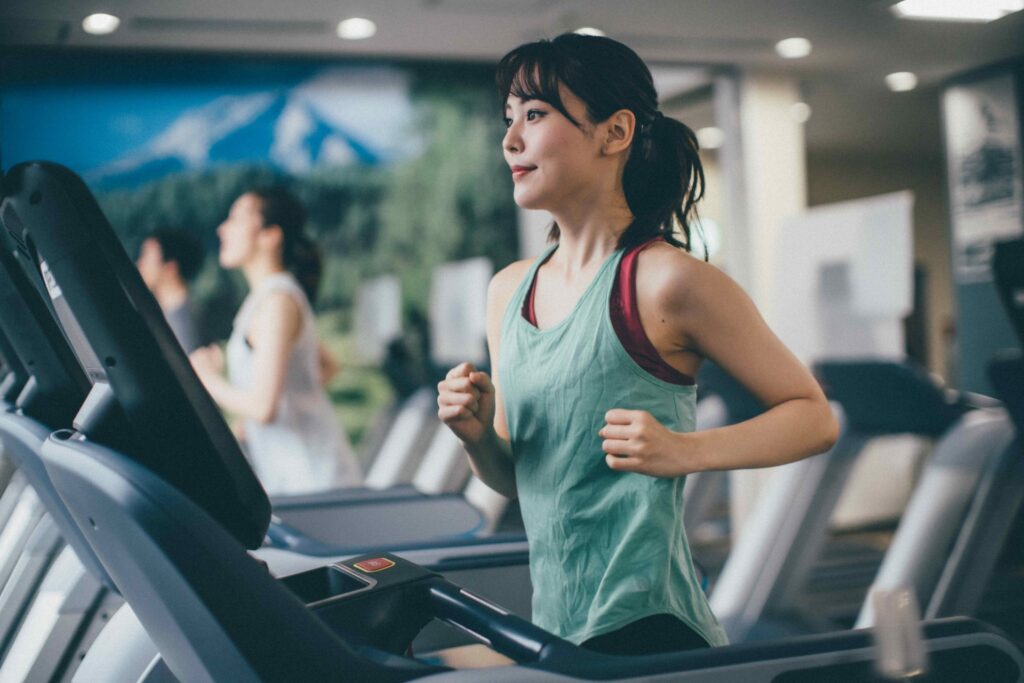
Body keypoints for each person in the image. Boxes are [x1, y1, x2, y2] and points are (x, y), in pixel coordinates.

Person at [437, 33, 839, 655]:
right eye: (508, 118)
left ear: (615, 132)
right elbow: (519, 480)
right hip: (556, 625)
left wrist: (685, 450)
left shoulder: (665, 282)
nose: (510, 139)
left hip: (649, 626)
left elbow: (814, 417)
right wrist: (475, 436)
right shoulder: (509, 291)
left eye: (535, 115)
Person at [190, 187, 362, 495]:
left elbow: (263, 408)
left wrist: (206, 378)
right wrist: (289, 401)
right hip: (302, 477)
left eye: (236, 219)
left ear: (270, 235)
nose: (222, 228)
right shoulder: (270, 299)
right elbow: (327, 366)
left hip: (315, 480)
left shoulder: (277, 303)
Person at [136, 227, 207, 354]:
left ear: (170, 267)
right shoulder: (172, 314)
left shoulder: (183, 322)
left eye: (146, 257)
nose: (139, 264)